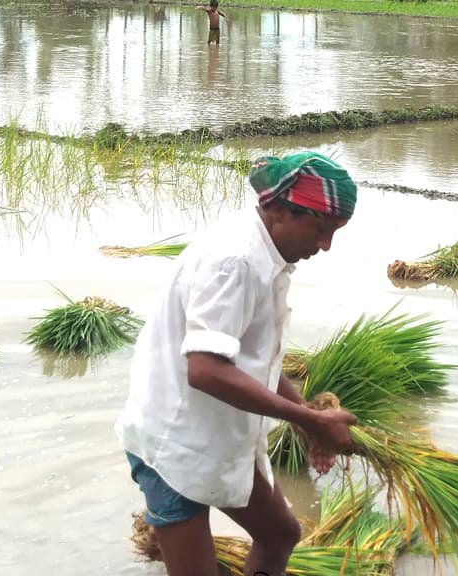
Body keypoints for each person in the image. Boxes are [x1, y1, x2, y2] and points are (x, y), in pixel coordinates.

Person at [115, 151, 361, 576]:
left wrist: (305, 417)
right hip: (175, 446)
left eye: (335, 232)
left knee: (281, 534)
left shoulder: (268, 254)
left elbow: (252, 355)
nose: (325, 245)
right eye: (320, 229)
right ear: (278, 209)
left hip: (218, 435)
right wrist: (311, 421)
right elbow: (205, 370)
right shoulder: (236, 260)